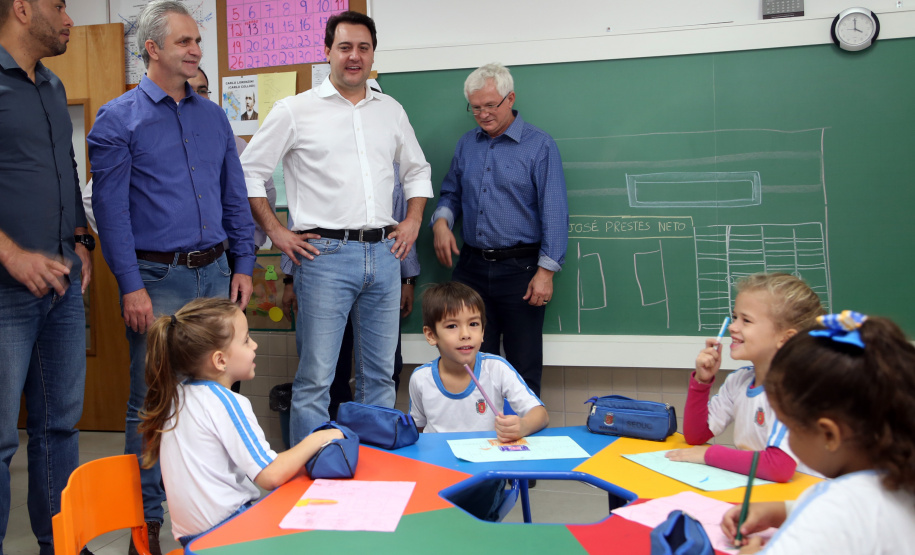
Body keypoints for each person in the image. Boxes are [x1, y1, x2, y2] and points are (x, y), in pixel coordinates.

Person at [87, 1, 256, 552]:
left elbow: (234, 196)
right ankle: (148, 519)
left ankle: (218, 503)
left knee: (215, 394)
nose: (196, 50)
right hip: (157, 280)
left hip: (215, 274)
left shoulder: (212, 116)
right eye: (185, 42)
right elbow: (111, 214)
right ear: (152, 48)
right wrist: (131, 285)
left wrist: (245, 265)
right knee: (154, 399)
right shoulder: (117, 119)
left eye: (198, 42)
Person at [240, 10, 432, 444]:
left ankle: (372, 475)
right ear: (327, 52)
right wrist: (277, 232)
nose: (354, 56)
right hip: (323, 257)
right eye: (344, 47)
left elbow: (418, 171)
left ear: (372, 55)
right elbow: (249, 173)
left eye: (363, 48)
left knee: (380, 378)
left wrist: (414, 219)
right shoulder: (295, 110)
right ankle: (311, 473)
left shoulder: (391, 110)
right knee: (315, 381)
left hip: (385, 254)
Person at [138, 298, 343, 547]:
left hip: (190, 538)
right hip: (228, 534)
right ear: (220, 360)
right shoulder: (226, 402)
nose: (254, 345)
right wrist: (321, 436)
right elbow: (270, 474)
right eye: (246, 340)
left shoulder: (176, 395)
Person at [0, 0, 90, 552]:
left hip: (61, 290)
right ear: (22, 8)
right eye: (59, 6)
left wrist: (80, 238)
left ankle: (60, 544)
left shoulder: (53, 86)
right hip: (5, 293)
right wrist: (11, 255)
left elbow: (67, 170)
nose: (69, 19)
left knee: (59, 430)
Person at [720, 311, 915, 554]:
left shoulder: (834, 508)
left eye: (789, 427)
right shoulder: (901, 480)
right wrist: (781, 511)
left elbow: (834, 519)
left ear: (829, 435)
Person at [430, 62, 568, 398]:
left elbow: (555, 212)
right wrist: (441, 222)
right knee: (470, 364)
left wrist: (546, 272)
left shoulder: (540, 146)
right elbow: (451, 192)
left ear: (510, 99)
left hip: (520, 271)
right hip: (472, 269)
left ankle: (525, 442)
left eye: (491, 105)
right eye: (475, 107)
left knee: (522, 366)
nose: (483, 114)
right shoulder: (467, 145)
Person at [665, 273, 824, 482]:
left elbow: (778, 467)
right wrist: (702, 383)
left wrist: (708, 455)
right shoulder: (738, 381)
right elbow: (696, 436)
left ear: (786, 338)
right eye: (734, 317)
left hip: (802, 503)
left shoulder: (795, 389)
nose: (733, 327)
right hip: (762, 493)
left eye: (746, 320)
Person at [409, 282, 548, 520]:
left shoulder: (497, 369)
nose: (465, 334)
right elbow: (416, 431)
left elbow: (540, 414)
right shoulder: (421, 379)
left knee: (465, 508)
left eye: (474, 324)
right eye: (452, 326)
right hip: (438, 470)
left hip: (485, 475)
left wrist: (522, 426)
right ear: (431, 335)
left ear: (483, 331)